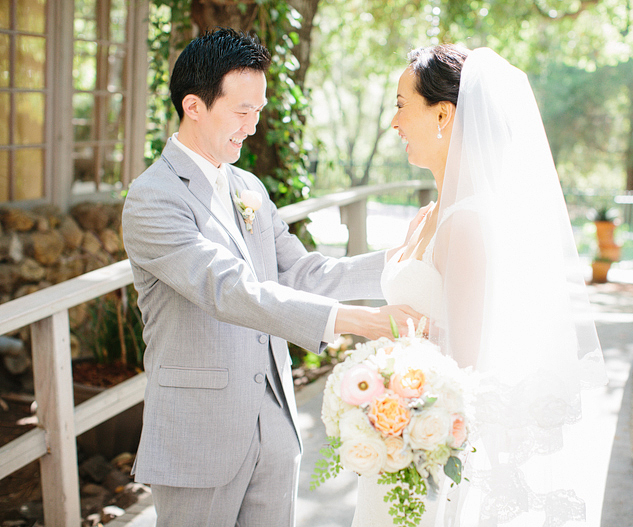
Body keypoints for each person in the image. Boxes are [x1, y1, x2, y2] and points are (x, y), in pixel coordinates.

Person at [122, 28, 426, 527]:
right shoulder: (153, 197)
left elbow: (303, 271)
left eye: (259, 110)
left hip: (273, 425)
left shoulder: (248, 187)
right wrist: (357, 320)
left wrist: (406, 256)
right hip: (199, 434)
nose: (253, 125)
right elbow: (226, 288)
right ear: (194, 106)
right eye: (242, 111)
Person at [353, 45, 608, 526]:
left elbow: (467, 373)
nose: (394, 122)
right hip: (396, 434)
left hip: (428, 449)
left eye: (401, 105)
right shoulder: (426, 216)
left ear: (443, 114)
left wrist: (395, 409)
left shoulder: (468, 224)